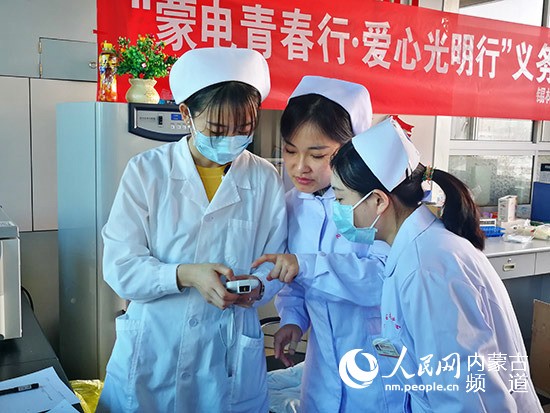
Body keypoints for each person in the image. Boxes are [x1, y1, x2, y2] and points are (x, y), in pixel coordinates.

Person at [97, 47, 287, 413]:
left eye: (243, 130)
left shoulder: (264, 178)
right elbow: (120, 267)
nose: (230, 139)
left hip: (227, 356)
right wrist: (184, 275)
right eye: (217, 130)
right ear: (186, 114)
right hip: (156, 349)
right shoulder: (147, 172)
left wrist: (258, 285)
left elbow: (274, 259)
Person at [325, 118, 542, 412]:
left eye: (340, 198)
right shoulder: (419, 250)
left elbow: (464, 398)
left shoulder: (426, 268)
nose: (336, 210)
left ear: (378, 201)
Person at [260, 76, 400, 412]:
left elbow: (383, 280)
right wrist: (293, 320)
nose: (300, 167)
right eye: (290, 151)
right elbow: (294, 284)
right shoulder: (291, 205)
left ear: (350, 149)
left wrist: (307, 265)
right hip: (321, 366)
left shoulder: (374, 205)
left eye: (317, 154)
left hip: (376, 358)